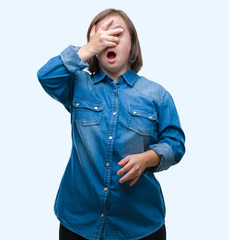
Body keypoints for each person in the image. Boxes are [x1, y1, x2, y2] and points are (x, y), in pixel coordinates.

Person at [37, 8, 185, 240]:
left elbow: (175, 144)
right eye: (101, 36)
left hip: (139, 226)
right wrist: (87, 49)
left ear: (132, 43)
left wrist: (148, 158)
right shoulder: (78, 85)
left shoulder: (157, 95)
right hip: (78, 222)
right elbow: (46, 76)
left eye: (116, 33)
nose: (108, 41)